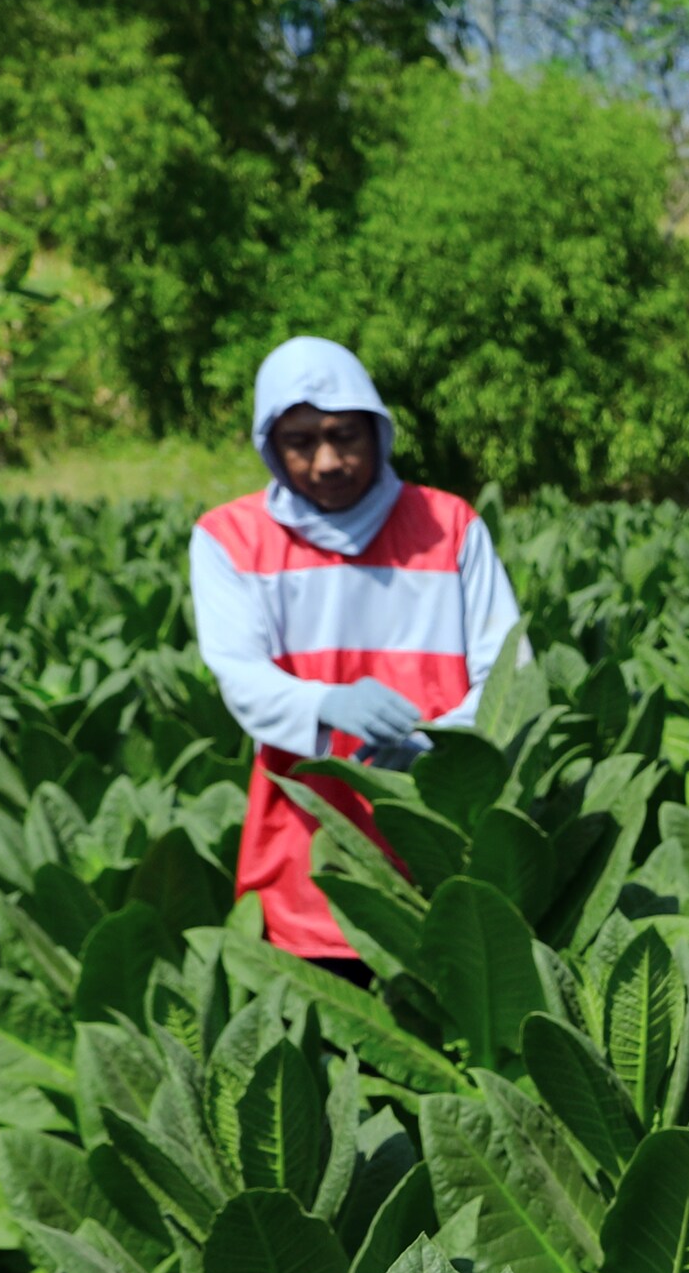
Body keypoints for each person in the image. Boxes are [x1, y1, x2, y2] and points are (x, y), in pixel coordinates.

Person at [187, 337, 524, 969]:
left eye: (345, 435)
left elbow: (509, 672)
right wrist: (324, 702)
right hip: (306, 848)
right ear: (269, 445)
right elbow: (239, 675)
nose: (328, 461)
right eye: (300, 441)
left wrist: (445, 744)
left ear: (378, 432)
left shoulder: (449, 525)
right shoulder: (229, 538)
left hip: (442, 834)